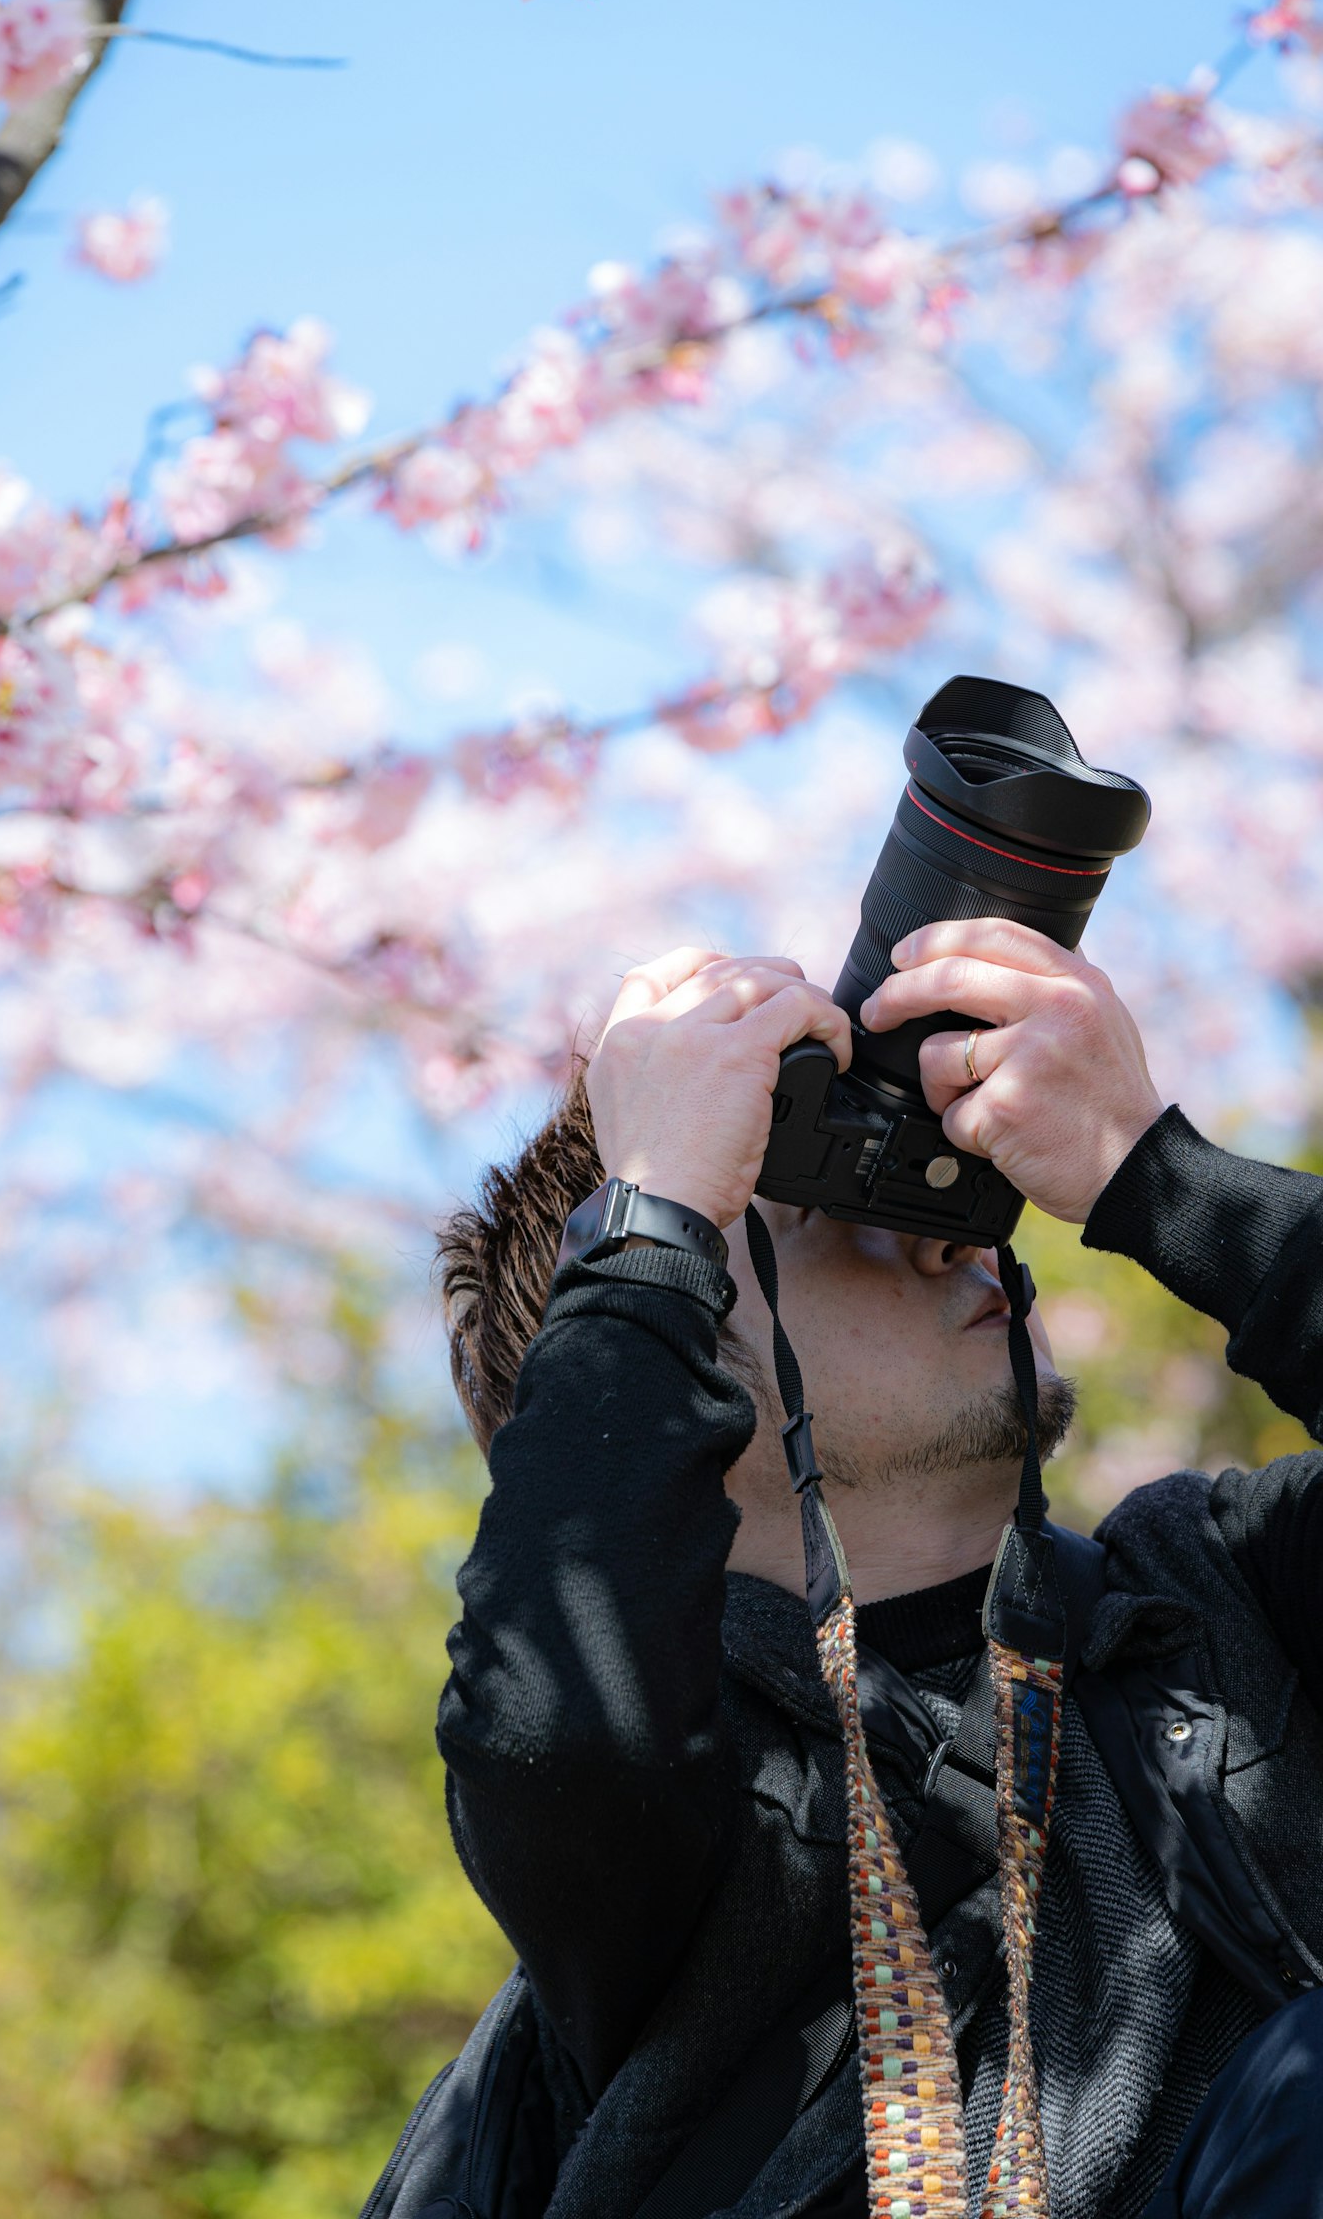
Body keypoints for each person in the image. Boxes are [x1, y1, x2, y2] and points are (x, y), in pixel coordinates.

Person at [432, 919, 1323, 2219]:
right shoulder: (674, 1801)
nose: (944, 1235)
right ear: (684, 1381)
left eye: (918, 1179)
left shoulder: (1218, 1594)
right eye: (830, 1209)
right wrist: (655, 1208)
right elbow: (552, 1717)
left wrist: (1154, 1174)